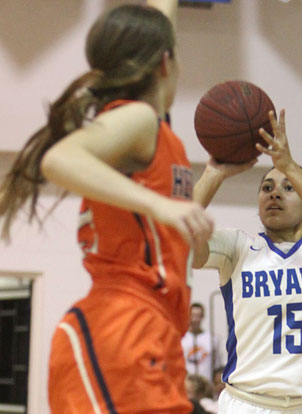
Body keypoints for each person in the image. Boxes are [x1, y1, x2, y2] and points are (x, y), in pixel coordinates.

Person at [0, 1, 236, 413]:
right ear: (166, 62)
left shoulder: (158, 134)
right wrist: (158, 206)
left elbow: (162, 18)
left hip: (155, 333)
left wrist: (212, 177)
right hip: (121, 332)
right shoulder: (137, 121)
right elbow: (57, 160)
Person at [192, 109, 302, 413]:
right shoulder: (238, 247)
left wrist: (288, 165)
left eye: (288, 187)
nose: (274, 194)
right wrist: (214, 174)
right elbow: (176, 238)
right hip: (247, 403)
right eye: (266, 187)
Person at [181, 302, 223, 381]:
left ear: (202, 316)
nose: (195, 319)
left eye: (198, 316)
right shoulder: (181, 338)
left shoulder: (212, 339)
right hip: (186, 384)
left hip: (206, 385)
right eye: (192, 315)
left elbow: (217, 365)